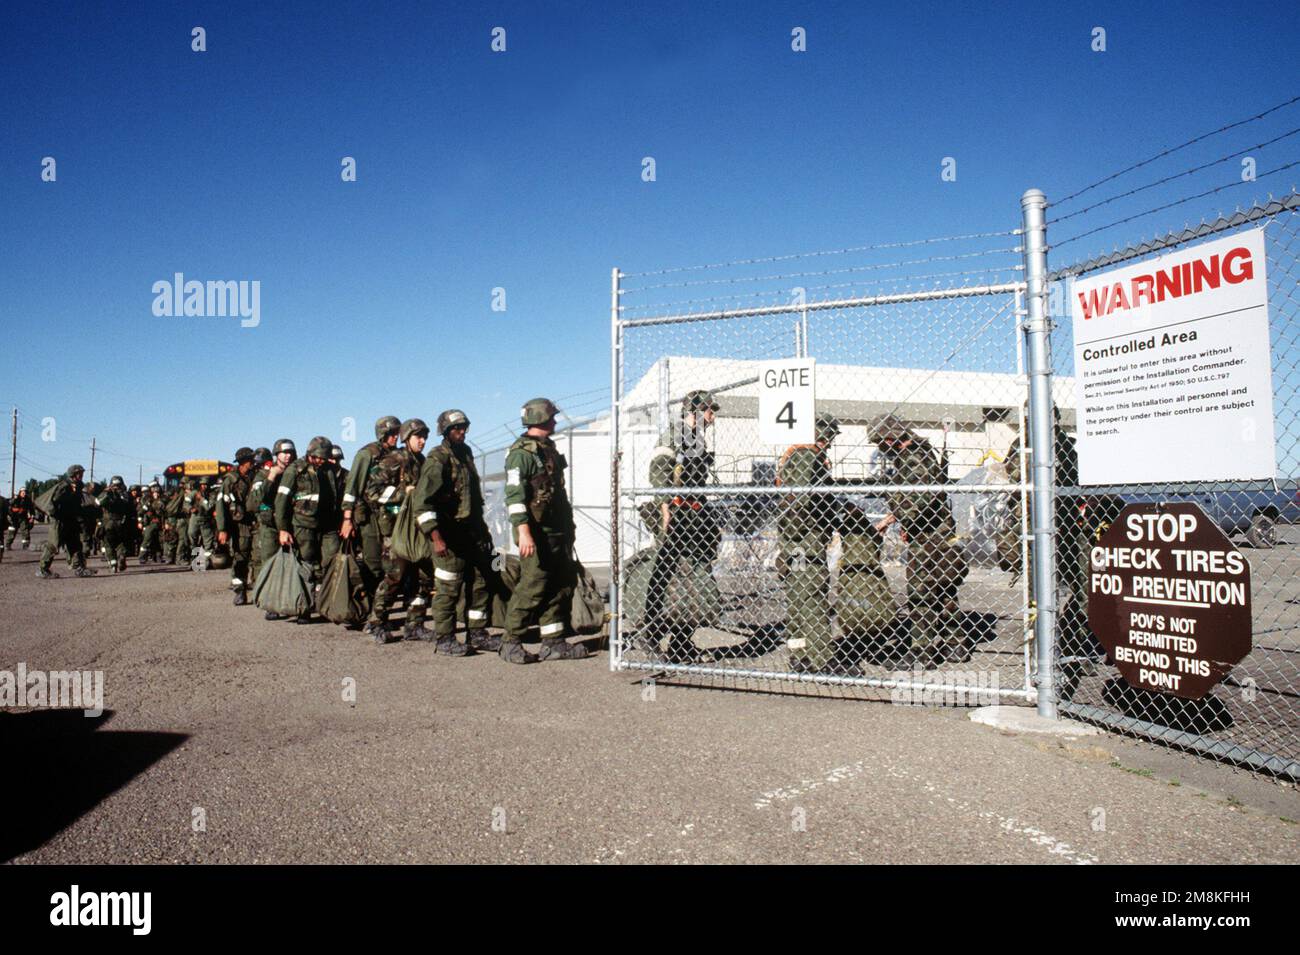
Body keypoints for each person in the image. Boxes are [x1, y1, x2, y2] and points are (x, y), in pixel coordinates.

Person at [871, 414, 969, 667]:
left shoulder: (913, 456)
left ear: (890, 438)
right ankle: (955, 643)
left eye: (881, 443)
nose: (881, 449)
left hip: (927, 535)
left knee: (920, 590)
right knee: (943, 588)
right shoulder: (918, 453)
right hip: (933, 530)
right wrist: (895, 518)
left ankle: (921, 650)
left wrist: (902, 519)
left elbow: (918, 500)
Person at [500, 398, 588, 664]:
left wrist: (568, 527)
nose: (555, 420)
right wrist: (524, 532)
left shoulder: (547, 448)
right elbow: (514, 497)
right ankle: (510, 641)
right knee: (533, 584)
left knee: (560, 584)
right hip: (535, 532)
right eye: (552, 416)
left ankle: (553, 642)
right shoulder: (520, 455)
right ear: (540, 418)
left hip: (557, 529)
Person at [414, 408, 507, 655]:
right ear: (445, 431)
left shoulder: (465, 454)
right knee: (448, 587)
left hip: (472, 532)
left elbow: (473, 499)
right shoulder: (437, 459)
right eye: (456, 428)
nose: (462, 432)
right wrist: (436, 537)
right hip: (448, 535)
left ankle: (476, 633)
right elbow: (423, 504)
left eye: (464, 427)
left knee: (480, 582)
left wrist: (484, 532)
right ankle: (444, 638)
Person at [639, 389, 721, 662]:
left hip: (694, 516)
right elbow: (658, 468)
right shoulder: (675, 434)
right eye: (710, 410)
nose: (712, 416)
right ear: (696, 411)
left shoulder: (697, 438)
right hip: (675, 515)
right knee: (666, 575)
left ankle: (681, 640)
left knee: (694, 578)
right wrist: (664, 508)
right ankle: (650, 633)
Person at [778, 412, 853, 675]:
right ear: (823, 434)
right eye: (830, 435)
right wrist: (827, 516)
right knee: (812, 597)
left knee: (799, 599)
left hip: (795, 542)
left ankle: (799, 654)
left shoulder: (796, 453)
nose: (831, 442)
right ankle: (824, 659)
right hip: (805, 540)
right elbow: (801, 499)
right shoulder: (809, 456)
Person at [364, 419, 436, 645]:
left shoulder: (422, 461)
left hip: (418, 530)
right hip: (396, 530)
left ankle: (414, 624)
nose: (422, 441)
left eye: (425, 436)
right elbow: (372, 492)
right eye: (418, 437)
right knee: (394, 577)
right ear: (406, 438)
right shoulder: (394, 460)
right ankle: (377, 622)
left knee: (423, 580)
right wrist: (404, 492)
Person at [275, 436, 340, 624]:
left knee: (331, 561)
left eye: (325, 457)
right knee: (306, 565)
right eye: (319, 456)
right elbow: (282, 501)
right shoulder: (295, 470)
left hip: (328, 525)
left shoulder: (330, 470)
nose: (322, 460)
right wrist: (283, 529)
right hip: (303, 525)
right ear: (311, 453)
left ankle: (327, 605)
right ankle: (303, 608)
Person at [341, 416, 401, 598]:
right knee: (373, 563)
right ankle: (368, 606)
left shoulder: (397, 455)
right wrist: (347, 519)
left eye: (396, 433)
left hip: (390, 515)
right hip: (369, 517)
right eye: (391, 434)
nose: (394, 438)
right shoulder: (367, 454)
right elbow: (352, 488)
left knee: (392, 563)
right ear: (382, 434)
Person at [257, 440, 297, 620]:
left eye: (290, 452)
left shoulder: (296, 472)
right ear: (276, 455)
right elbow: (254, 501)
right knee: (270, 564)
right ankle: (272, 604)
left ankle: (293, 602)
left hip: (291, 524)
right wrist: (271, 476)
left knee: (293, 564)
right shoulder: (263, 475)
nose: (287, 455)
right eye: (284, 452)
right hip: (270, 527)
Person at [216, 447, 258, 605]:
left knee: (257, 558)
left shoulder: (255, 476)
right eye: (250, 461)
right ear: (242, 462)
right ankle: (240, 591)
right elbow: (221, 506)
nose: (252, 463)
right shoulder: (230, 480)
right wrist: (222, 529)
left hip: (255, 523)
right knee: (240, 558)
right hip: (239, 526)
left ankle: (258, 590)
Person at [38, 464, 95, 578]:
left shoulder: (78, 486)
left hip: (71, 519)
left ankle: (79, 568)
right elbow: (55, 501)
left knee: (75, 544)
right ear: (73, 474)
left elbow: (78, 503)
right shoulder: (64, 486)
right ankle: (43, 569)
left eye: (82, 473)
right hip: (60, 520)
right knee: (53, 545)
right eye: (80, 473)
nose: (82, 475)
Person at [138, 482, 165, 564]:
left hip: (160, 523)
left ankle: (157, 557)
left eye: (157, 490)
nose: (156, 493)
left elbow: (164, 512)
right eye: (154, 490)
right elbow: (141, 512)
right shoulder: (147, 500)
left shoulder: (163, 500)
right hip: (150, 523)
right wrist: (140, 522)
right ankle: (142, 556)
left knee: (158, 541)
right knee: (147, 539)